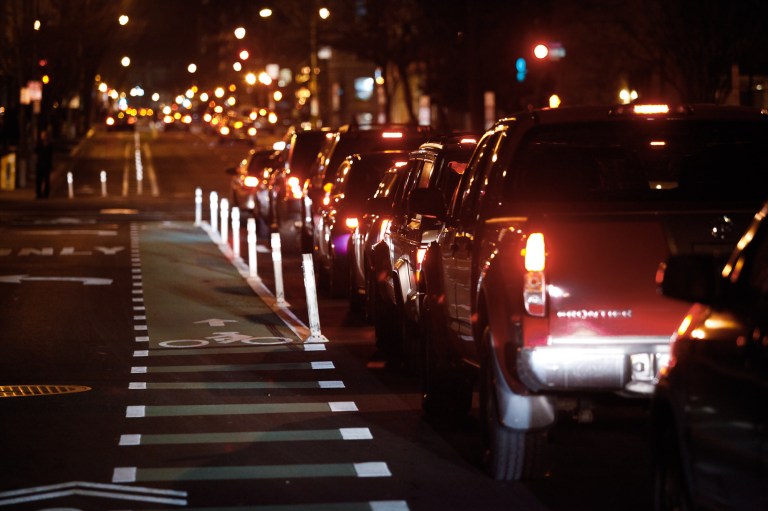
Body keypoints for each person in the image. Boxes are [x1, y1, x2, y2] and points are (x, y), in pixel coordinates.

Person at [35, 129, 53, 198]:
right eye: (42, 135)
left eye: (44, 135)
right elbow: (36, 151)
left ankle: (46, 194)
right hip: (39, 164)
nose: (43, 137)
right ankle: (38, 194)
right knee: (38, 180)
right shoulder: (39, 144)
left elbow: (50, 155)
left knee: (46, 180)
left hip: (46, 165)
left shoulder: (49, 145)